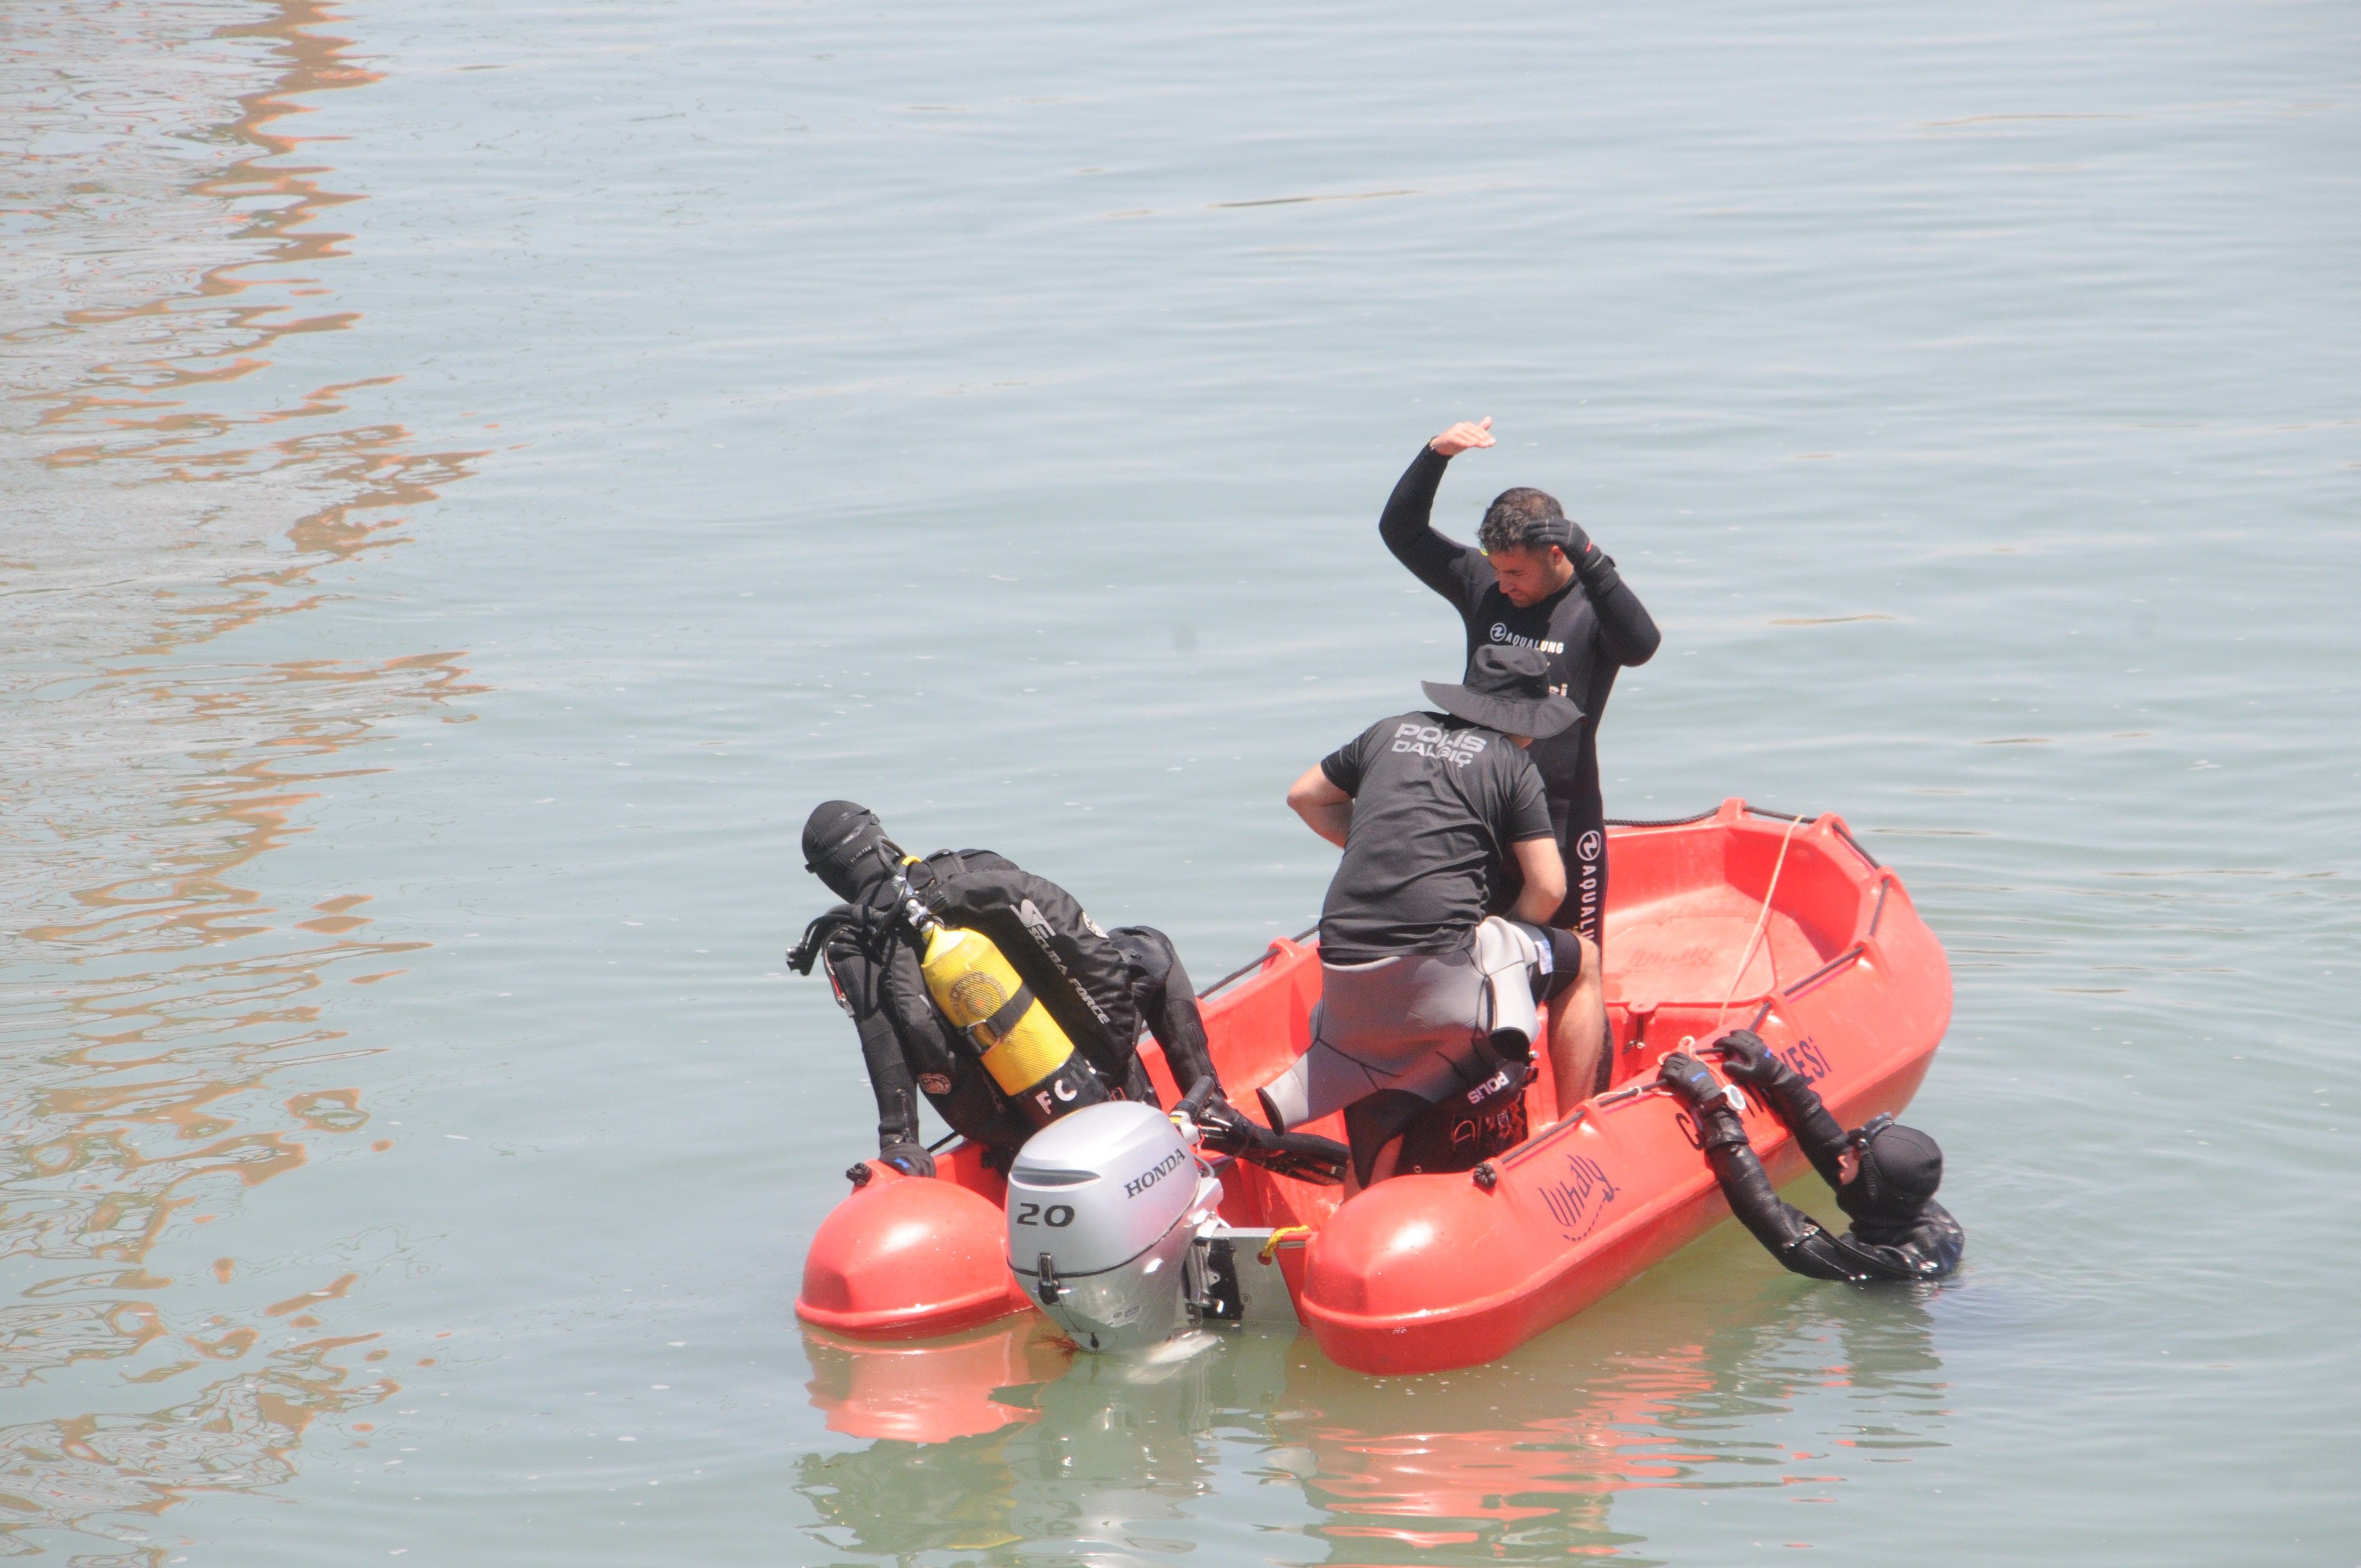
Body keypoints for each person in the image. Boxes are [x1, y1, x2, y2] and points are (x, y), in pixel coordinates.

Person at [1266, 645, 1612, 1189]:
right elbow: (1549, 885)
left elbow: (1304, 796)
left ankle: (1365, 1196)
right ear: (1526, 722)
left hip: (1344, 976)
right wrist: (1506, 932)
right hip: (1437, 979)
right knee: (1582, 960)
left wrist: (1381, 844)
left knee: (1377, 1097)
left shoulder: (1389, 731)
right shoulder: (1511, 762)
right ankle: (1577, 1142)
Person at [786, 801, 1222, 1175]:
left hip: (1014, 1125)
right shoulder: (972, 867)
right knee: (1148, 946)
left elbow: (881, 1040)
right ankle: (1211, 1107)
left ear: (825, 875)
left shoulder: (851, 944)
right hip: (1103, 1067)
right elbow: (1076, 953)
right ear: (879, 832)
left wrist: (898, 1140)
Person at [1379, 416, 1662, 946]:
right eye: (1497, 570)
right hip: (1478, 808)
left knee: (1577, 962)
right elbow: (1402, 532)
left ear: (1556, 556)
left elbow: (1641, 647)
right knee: (1475, 960)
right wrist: (1436, 454)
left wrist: (1595, 562)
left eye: (1516, 574)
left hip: (1562, 817)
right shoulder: (1483, 584)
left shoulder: (1594, 603)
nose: (1504, 585)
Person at [1656, 1030, 1963, 1281]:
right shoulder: (1916, 1213)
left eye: (1855, 1157)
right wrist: (1778, 1077)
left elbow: (1771, 1220)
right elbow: (1833, 1151)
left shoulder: (1893, 1265)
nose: (1843, 1157)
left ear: (1873, 1190)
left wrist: (1716, 1109)